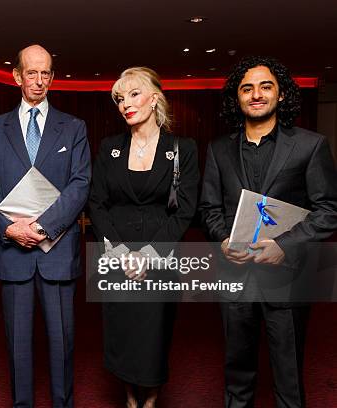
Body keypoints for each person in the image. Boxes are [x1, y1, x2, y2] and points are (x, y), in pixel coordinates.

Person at [199, 56, 337, 408]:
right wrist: (223, 239)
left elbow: (328, 211)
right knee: (237, 376)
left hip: (287, 278)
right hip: (236, 276)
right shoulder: (218, 150)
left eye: (265, 86)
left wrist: (284, 246)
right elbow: (209, 210)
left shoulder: (310, 145)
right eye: (247, 88)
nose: (256, 94)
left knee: (289, 377)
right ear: (237, 98)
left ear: (281, 94)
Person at [0, 44, 91, 408]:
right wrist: (9, 229)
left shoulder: (74, 128)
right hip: (13, 253)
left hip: (57, 251)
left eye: (46, 73)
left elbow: (80, 184)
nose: (39, 81)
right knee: (18, 347)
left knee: (62, 344)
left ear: (52, 77)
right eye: (32, 73)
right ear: (17, 76)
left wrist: (43, 227)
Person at [88, 67, 199, 408]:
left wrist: (148, 254)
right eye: (120, 98)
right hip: (116, 255)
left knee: (153, 337)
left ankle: (149, 402)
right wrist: (122, 252)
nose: (125, 104)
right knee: (122, 334)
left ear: (154, 98)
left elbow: (184, 211)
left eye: (134, 94)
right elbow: (97, 203)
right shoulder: (110, 148)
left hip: (159, 258)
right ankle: (130, 401)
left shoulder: (182, 148)